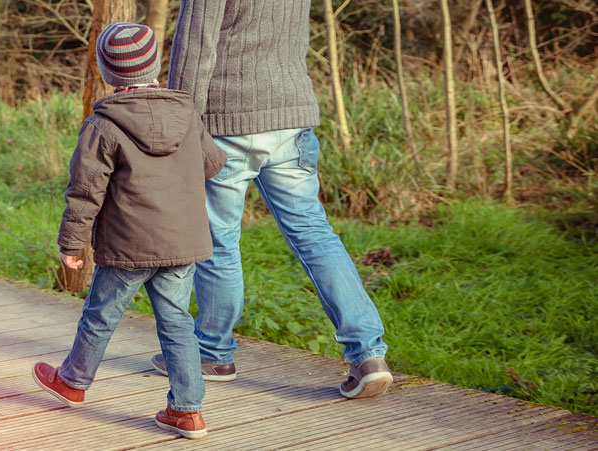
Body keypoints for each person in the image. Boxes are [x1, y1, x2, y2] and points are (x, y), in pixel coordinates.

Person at [155, 0, 393, 399]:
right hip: (291, 117)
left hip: (228, 121)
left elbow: (195, 47)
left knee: (219, 240)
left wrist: (183, 123)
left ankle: (213, 351)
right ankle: (368, 354)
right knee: (314, 233)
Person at [32, 23, 226, 440]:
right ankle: (188, 411)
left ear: (108, 72)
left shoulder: (103, 124)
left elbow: (85, 192)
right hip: (182, 243)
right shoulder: (186, 113)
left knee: (100, 316)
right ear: (155, 64)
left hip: (128, 247)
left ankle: (73, 381)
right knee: (177, 323)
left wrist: (71, 243)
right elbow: (213, 163)